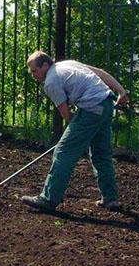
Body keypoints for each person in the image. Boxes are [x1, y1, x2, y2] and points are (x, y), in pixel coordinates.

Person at [21, 50, 129, 212]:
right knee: (101, 152)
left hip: (91, 107)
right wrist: (121, 91)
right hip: (106, 103)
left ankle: (48, 199)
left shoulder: (51, 81)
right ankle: (110, 198)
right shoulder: (68, 64)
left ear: (45, 65)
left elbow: (67, 115)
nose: (33, 75)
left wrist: (75, 133)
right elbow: (100, 73)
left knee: (63, 152)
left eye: (35, 70)